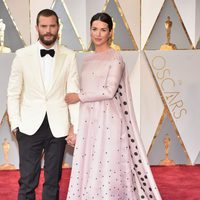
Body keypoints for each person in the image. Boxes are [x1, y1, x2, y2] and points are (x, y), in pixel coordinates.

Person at [65, 12, 162, 200]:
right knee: (91, 165)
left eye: (103, 30)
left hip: (109, 120)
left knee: (108, 167)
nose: (98, 34)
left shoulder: (115, 59)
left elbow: (109, 92)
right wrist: (74, 126)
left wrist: (79, 96)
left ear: (110, 32)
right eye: (94, 29)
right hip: (89, 121)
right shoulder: (85, 60)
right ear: (90, 31)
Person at [7, 9, 79, 200]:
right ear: (37, 28)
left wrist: (75, 126)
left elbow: (73, 94)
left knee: (53, 181)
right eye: (44, 26)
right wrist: (16, 125)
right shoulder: (22, 55)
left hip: (59, 126)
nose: (48, 30)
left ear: (58, 27)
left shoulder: (69, 56)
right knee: (27, 181)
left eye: (52, 26)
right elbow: (13, 93)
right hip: (29, 127)